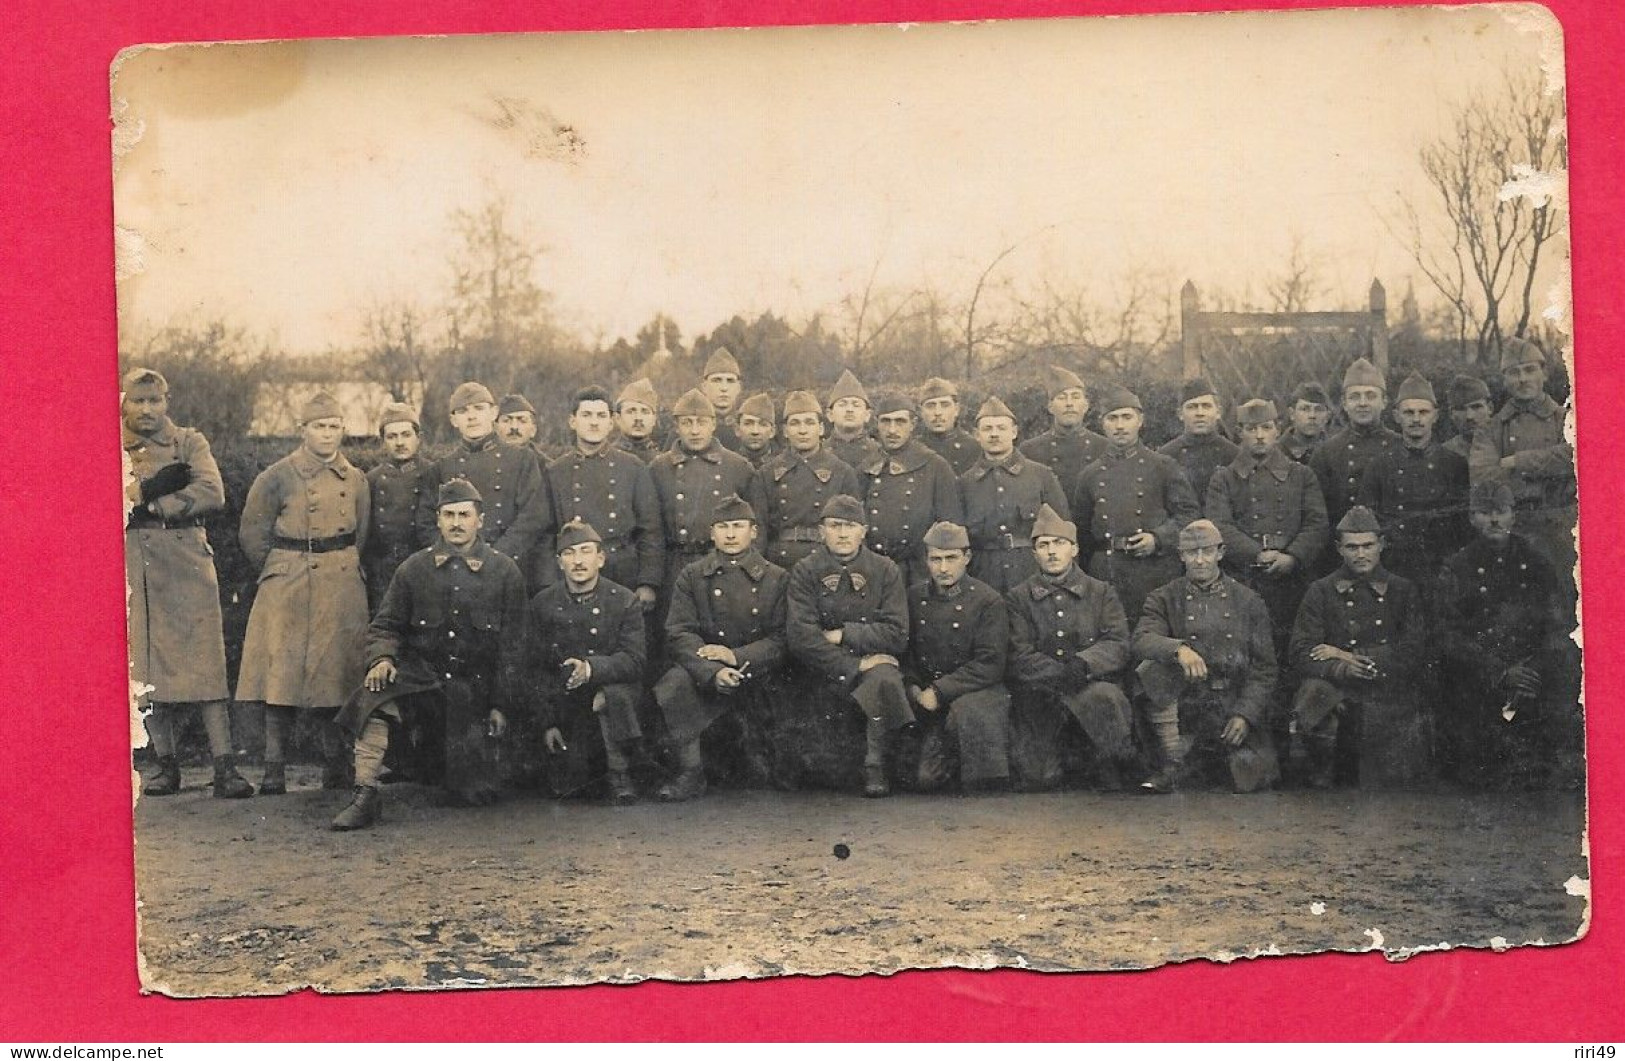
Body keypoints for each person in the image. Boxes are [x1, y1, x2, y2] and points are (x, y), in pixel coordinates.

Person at [331, 478, 529, 828]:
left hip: (474, 696)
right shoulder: (413, 569)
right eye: (448, 514)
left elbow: (513, 648)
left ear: (479, 520)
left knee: (472, 795)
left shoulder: (504, 572)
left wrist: (502, 704)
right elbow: (385, 625)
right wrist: (383, 659)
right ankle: (365, 793)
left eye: (464, 515)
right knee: (375, 693)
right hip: (421, 682)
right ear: (437, 519)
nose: (456, 523)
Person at [123, 368, 253, 799]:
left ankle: (224, 765)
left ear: (167, 401)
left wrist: (156, 503)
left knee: (205, 659)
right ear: (124, 402)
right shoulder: (110, 445)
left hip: (186, 561)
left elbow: (212, 491)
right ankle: (166, 766)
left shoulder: (189, 442)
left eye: (154, 400)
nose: (146, 409)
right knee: (145, 665)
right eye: (138, 401)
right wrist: (142, 491)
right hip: (133, 564)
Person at [236, 391, 371, 796]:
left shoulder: (356, 479)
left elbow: (360, 534)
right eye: (318, 426)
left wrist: (338, 565)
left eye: (333, 426)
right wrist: (281, 570)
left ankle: (336, 763)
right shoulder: (277, 476)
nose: (327, 435)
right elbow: (251, 534)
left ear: (343, 429)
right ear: (302, 430)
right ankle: (273, 766)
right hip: (289, 581)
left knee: (340, 673)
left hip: (340, 579)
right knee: (280, 673)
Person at [1205, 398, 1329, 768]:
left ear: (1278, 430)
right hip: (1245, 583)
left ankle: (1295, 747)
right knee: (1250, 660)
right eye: (1250, 429)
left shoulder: (1302, 475)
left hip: (1292, 585)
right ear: (1239, 433)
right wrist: (1256, 556)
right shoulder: (1224, 478)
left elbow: (1317, 523)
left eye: (1266, 428)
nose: (1259, 436)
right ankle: (1255, 744)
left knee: (1290, 657)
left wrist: (1291, 557)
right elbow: (1220, 525)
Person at [1436, 481, 1579, 788]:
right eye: (1485, 513)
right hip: (1482, 671)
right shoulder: (1457, 567)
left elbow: (1557, 624)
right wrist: (1499, 671)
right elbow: (1449, 634)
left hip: (1532, 668)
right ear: (1472, 518)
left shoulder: (1537, 563)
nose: (1494, 520)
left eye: (1501, 511)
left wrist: (1533, 669)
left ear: (1513, 515)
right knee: (1477, 771)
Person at [653, 495, 789, 801]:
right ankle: (690, 771)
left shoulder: (776, 578)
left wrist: (735, 657)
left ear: (753, 532)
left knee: (767, 775)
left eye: (738, 526)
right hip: (706, 671)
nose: (730, 534)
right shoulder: (692, 575)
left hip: (758, 670)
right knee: (675, 682)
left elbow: (782, 638)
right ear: (712, 532)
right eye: (723, 526)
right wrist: (713, 672)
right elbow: (679, 631)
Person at [1133, 519, 1280, 794]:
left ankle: (1208, 761)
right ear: (1181, 555)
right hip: (1186, 702)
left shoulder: (1248, 601)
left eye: (1207, 552)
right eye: (1192, 553)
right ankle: (1173, 760)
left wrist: (1245, 714)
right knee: (1152, 667)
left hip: (1231, 702)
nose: (1200, 560)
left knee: (1247, 776)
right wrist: (1179, 649)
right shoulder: (1164, 598)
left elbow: (1265, 668)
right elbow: (1142, 639)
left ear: (1221, 552)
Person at [1288, 506, 1428, 789]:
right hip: (1337, 687)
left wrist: (1349, 656)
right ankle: (1320, 777)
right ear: (1339, 549)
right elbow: (1301, 650)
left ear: (1382, 545)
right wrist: (1340, 668)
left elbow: (1413, 650)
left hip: (1385, 685)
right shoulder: (1321, 590)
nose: (1360, 554)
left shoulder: (1403, 590)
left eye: (1368, 545)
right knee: (1314, 694)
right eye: (1352, 547)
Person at [1004, 503, 1137, 793]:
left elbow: (1118, 642)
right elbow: (1018, 652)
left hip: (1090, 687)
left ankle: (1107, 760)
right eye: (1043, 545)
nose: (1051, 552)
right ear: (1034, 553)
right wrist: (1058, 674)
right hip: (1041, 693)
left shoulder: (1101, 592)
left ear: (1074, 549)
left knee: (1105, 698)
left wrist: (1085, 664)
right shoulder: (1018, 598)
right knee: (1039, 778)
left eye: (1059, 544)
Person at [786, 494, 912, 797]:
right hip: (822, 667)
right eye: (834, 526)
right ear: (821, 532)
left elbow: (897, 633)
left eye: (851, 526)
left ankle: (876, 765)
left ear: (864, 531)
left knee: (884, 676)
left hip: (872, 664)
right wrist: (853, 665)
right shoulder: (805, 570)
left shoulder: (885, 570)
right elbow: (802, 637)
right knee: (818, 773)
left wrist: (844, 634)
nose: (842, 534)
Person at [527, 520, 649, 803]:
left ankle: (620, 773)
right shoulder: (543, 604)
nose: (579, 561)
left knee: (612, 695)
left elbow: (635, 660)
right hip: (566, 702)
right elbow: (534, 669)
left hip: (613, 701)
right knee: (569, 788)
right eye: (569, 554)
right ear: (559, 562)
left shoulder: (624, 600)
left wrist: (592, 669)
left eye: (586, 551)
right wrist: (548, 723)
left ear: (601, 558)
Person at [1071, 386, 1200, 621]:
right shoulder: (1089, 475)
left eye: (1127, 417)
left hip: (1154, 572)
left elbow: (1189, 516)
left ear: (1140, 420)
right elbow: (1081, 533)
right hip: (1106, 573)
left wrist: (1158, 538)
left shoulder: (1163, 466)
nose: (1120, 426)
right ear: (1102, 423)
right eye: (1113, 418)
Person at [902, 521, 1012, 793]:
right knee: (921, 780)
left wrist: (940, 691)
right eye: (935, 559)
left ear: (967, 558)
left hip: (973, 692)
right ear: (926, 560)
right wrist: (914, 688)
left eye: (951, 558)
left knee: (975, 774)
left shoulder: (988, 601)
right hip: (926, 697)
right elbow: (906, 653)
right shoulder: (913, 597)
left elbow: (990, 664)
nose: (943, 568)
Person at [649, 389, 768, 623]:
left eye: (701, 422)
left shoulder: (738, 466)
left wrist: (752, 571)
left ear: (713, 424)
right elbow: (651, 528)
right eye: (687, 423)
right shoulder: (659, 468)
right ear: (676, 426)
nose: (694, 430)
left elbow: (758, 527)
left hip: (724, 564)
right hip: (674, 566)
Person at [1468, 337, 1577, 592]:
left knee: (1562, 607)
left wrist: (1517, 461)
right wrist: (1550, 474)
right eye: (1514, 373)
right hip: (1512, 531)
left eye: (1530, 370)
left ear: (1544, 373)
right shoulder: (1491, 428)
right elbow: (1483, 477)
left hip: (1561, 530)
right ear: (1505, 380)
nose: (1523, 379)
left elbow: (1578, 456)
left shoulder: (1568, 419)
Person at [541, 386, 662, 609]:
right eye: (586, 415)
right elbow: (546, 534)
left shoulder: (633, 467)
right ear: (572, 421)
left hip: (624, 574)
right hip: (572, 577)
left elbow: (650, 529)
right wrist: (551, 584)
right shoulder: (555, 472)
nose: (594, 422)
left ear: (611, 422)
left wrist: (648, 583)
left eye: (601, 415)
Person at [433, 381, 555, 587]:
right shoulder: (443, 466)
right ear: (453, 420)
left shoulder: (522, 459)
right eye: (462, 411)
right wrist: (455, 559)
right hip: (457, 570)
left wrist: (496, 558)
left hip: (510, 567)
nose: (471, 417)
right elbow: (429, 521)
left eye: (479, 409)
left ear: (493, 413)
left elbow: (534, 517)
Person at [1356, 372, 1469, 591]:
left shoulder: (1454, 464)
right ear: (1397, 416)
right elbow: (1366, 524)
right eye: (1409, 412)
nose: (1416, 419)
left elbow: (1464, 525)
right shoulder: (1379, 466)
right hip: (1394, 570)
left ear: (1435, 416)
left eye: (1423, 412)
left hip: (1442, 570)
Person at [959, 396, 1071, 594]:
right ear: (976, 435)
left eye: (1001, 428)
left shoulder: (1041, 475)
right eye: (987, 429)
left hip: (1031, 572)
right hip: (983, 575)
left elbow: (1064, 532)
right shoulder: (965, 483)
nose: (994, 434)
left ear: (1014, 432)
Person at [863, 393, 964, 587]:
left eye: (900, 421)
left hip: (919, 571)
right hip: (875, 568)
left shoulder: (935, 466)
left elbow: (951, 525)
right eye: (886, 422)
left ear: (913, 423)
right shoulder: (867, 466)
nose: (892, 429)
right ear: (877, 424)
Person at [758, 390, 862, 572]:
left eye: (809, 422)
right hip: (778, 563)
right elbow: (758, 530)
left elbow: (855, 528)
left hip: (827, 562)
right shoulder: (767, 473)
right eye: (795, 423)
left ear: (821, 428)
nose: (803, 430)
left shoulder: (842, 472)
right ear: (785, 431)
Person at [1309, 358, 1401, 529]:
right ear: (1344, 404)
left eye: (1371, 396)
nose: (1363, 403)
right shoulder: (1326, 453)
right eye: (1355, 397)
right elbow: (1317, 517)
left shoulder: (1400, 447)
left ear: (1384, 402)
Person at [361, 402, 435, 611]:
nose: (399, 442)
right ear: (383, 441)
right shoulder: (371, 480)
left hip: (422, 567)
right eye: (392, 437)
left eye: (405, 434)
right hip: (382, 573)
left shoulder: (434, 475)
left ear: (418, 437)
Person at [1019, 365, 1108, 495]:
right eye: (1062, 397)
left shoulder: (1104, 448)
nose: (1069, 403)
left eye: (1076, 397)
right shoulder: (1030, 450)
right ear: (1050, 407)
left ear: (1086, 406)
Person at [1158, 377, 1237, 509]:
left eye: (1206, 406)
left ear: (1218, 412)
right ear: (1180, 414)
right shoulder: (1165, 456)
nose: (1199, 413)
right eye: (1192, 407)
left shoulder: (1234, 455)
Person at [916, 376, 979, 475]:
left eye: (945, 405)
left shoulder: (974, 448)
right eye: (930, 406)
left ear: (956, 410)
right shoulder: (914, 449)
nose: (937, 412)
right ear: (921, 412)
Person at [825, 369, 885, 472]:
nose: (849, 409)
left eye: (856, 405)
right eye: (842, 404)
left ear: (867, 415)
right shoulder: (819, 454)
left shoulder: (880, 454)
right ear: (830, 415)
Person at [700, 347, 745, 453]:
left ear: (738, 388)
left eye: (730, 381)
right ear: (704, 387)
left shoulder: (749, 427)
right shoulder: (689, 429)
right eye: (717, 380)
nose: (724, 388)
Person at [614, 377, 666, 463]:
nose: (638, 418)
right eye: (631, 411)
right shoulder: (606, 459)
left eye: (645, 412)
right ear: (618, 418)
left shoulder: (663, 463)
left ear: (654, 419)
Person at [1280, 382, 1333, 465]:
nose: (1312, 415)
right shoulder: (1276, 452)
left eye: (1319, 409)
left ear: (1327, 416)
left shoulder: (1335, 451)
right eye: (1305, 409)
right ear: (1292, 414)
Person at [1442, 375, 1493, 460]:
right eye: (1461, 409)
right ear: (1451, 414)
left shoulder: (1507, 446)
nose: (1469, 416)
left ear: (1490, 408)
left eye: (1476, 407)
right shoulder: (1444, 454)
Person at [496, 392, 550, 459]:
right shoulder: (482, 464)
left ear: (533, 430)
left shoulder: (546, 468)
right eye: (506, 420)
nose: (514, 427)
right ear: (495, 428)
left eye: (522, 421)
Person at [734, 392, 779, 467]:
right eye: (748, 424)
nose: (755, 431)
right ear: (737, 429)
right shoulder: (728, 464)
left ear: (772, 431)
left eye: (763, 424)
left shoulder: (782, 465)